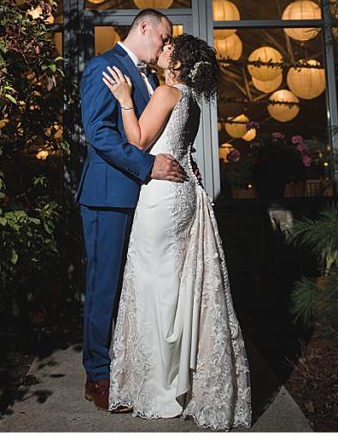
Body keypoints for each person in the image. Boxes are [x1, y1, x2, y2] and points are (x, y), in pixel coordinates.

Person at [101, 33, 252, 431]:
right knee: (174, 283)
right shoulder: (192, 102)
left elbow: (137, 141)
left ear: (179, 64)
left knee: (155, 286)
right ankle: (180, 381)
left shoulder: (169, 92)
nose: (163, 49)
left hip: (162, 200)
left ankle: (163, 383)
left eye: (170, 49)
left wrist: (125, 100)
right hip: (184, 194)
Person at [75, 9, 188, 414]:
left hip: (142, 201)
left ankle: (124, 367)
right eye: (164, 36)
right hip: (108, 197)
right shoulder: (103, 67)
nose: (165, 44)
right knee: (104, 286)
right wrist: (149, 166)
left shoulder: (150, 79)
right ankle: (98, 376)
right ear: (144, 27)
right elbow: (99, 132)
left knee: (130, 290)